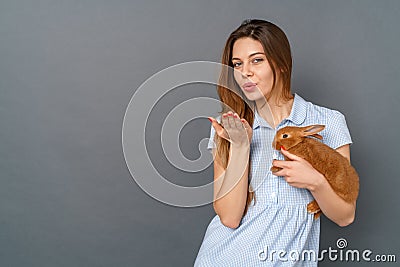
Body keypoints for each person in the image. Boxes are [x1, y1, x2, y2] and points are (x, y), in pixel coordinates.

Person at [194, 19, 357, 266]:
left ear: (280, 64)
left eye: (256, 60)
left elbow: (345, 216)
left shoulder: (328, 121)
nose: (244, 72)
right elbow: (229, 217)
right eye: (237, 64)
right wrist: (240, 147)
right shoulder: (229, 126)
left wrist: (315, 181)